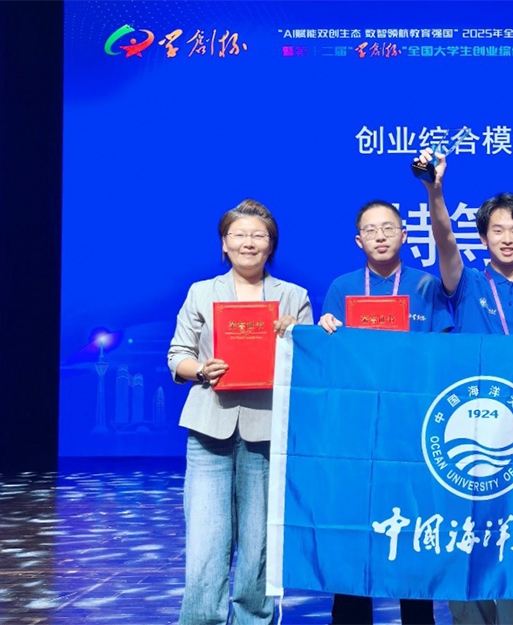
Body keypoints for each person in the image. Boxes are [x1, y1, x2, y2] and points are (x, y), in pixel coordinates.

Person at [415, 148, 513, 625]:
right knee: (468, 546)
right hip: (467, 436)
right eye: (497, 230)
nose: (507, 238)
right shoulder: (466, 284)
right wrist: (435, 192)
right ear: (483, 236)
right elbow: (444, 240)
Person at [168, 199, 313, 625]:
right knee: (206, 541)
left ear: (271, 245)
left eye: (258, 236)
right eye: (239, 235)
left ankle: (253, 620)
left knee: (258, 543)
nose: (249, 243)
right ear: (224, 243)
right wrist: (201, 369)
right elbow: (177, 355)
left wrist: (295, 337)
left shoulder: (293, 297)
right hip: (209, 427)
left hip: (266, 429)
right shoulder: (202, 292)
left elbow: (310, 366)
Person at [319, 198, 453, 625]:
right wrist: (325, 333)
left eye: (388, 228)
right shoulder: (342, 288)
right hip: (358, 432)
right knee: (355, 533)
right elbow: (331, 361)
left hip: (413, 428)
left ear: (405, 235)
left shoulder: (426, 286)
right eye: (370, 230)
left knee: (412, 532)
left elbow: (444, 351)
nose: (380, 236)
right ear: (358, 240)